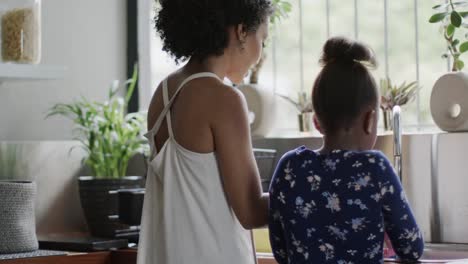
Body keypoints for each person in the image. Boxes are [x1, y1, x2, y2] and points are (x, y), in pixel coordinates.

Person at [137, 1, 274, 264]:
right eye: (263, 41)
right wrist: (307, 188)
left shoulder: (164, 93)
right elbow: (251, 211)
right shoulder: (224, 100)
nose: (260, 55)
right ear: (242, 31)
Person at [268, 37, 424, 264]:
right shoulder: (375, 167)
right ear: (370, 120)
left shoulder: (290, 166)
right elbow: (412, 248)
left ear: (316, 122)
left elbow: (280, 252)